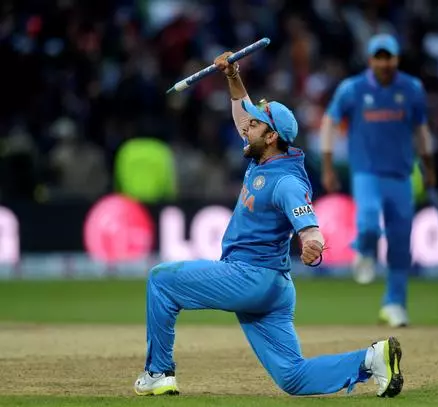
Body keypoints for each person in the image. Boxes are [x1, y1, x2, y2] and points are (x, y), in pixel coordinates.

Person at [133, 51, 404, 398]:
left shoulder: (286, 181)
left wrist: (312, 244)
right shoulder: (263, 157)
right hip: (274, 288)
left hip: (248, 276)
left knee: (161, 280)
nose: (246, 128)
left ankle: (158, 372)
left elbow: (309, 225)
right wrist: (232, 75)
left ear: (272, 135)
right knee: (293, 377)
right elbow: (241, 111)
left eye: (256, 124)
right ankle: (371, 360)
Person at [320, 33, 436, 328]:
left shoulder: (412, 88)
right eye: (379, 57)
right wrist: (328, 165)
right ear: (370, 59)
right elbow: (330, 122)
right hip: (366, 172)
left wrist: (429, 165)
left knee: (400, 243)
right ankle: (365, 248)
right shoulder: (353, 89)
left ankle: (394, 304)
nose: (384, 63)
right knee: (369, 220)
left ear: (397, 59)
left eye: (389, 57)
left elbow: (421, 130)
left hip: (401, 174)